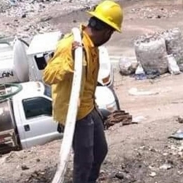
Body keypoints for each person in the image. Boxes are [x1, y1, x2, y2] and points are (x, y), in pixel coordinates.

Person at [42, 1, 123, 182]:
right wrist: (70, 60)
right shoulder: (70, 45)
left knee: (100, 151)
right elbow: (48, 76)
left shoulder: (91, 46)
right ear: (107, 31)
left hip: (88, 106)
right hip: (75, 113)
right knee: (84, 161)